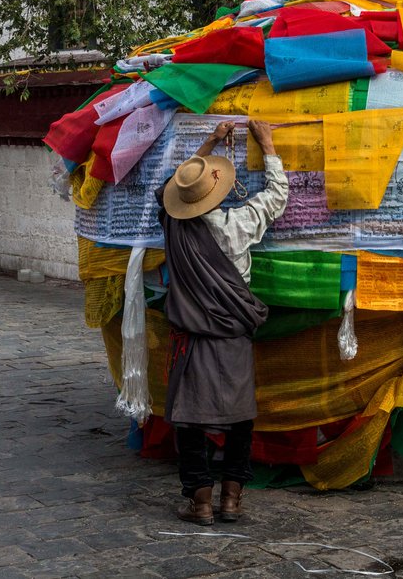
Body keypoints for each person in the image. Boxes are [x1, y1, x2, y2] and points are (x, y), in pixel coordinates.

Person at [156, 119, 288, 525]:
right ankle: (231, 499)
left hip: (193, 341)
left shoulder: (175, 227)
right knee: (239, 418)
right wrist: (267, 145)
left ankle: (200, 504)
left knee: (190, 421)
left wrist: (210, 140)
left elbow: (167, 188)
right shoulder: (240, 224)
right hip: (232, 338)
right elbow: (277, 196)